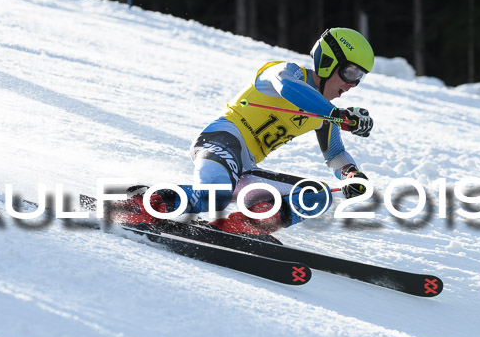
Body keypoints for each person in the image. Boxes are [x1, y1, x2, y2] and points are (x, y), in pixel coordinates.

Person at [110, 27, 375, 240]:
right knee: (214, 195)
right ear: (328, 62)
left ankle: (241, 227)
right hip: (221, 140)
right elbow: (288, 89)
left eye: (359, 77)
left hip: (246, 167)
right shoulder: (285, 71)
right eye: (350, 72)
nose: (352, 84)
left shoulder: (325, 115)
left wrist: (352, 175)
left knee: (317, 194)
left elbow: (336, 153)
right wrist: (337, 115)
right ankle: (142, 204)